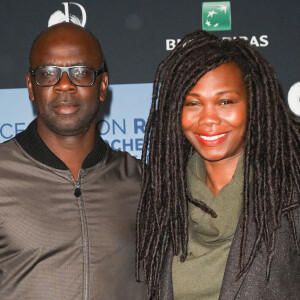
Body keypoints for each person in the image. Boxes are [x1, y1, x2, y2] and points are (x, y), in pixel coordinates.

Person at [136, 30, 300, 299]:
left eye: (225, 101)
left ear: (253, 103)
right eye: (193, 103)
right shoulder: (164, 200)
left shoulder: (290, 192)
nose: (208, 118)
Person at [0, 22, 146, 299]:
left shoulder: (143, 181)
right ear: (31, 86)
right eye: (48, 73)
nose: (64, 84)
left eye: (80, 72)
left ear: (102, 86)